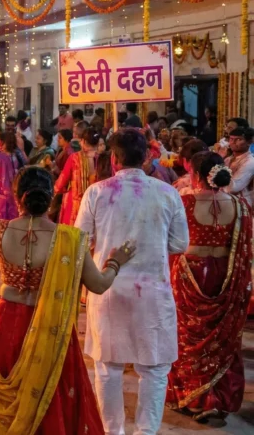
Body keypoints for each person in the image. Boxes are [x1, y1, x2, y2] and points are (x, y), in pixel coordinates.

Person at [0, 166, 133, 433]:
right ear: (51, 198)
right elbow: (99, 285)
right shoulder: (70, 239)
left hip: (7, 322)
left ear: (17, 198)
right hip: (50, 324)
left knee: (6, 381)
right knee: (50, 392)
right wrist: (115, 262)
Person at [74, 128, 189, 435]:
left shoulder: (97, 192)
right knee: (154, 370)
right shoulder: (168, 193)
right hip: (153, 292)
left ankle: (112, 432)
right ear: (148, 157)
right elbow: (180, 243)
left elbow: (79, 241)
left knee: (108, 369)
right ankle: (145, 432)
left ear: (114, 158)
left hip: (108, 288)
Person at [167, 152, 252, 421]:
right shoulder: (240, 207)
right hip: (225, 275)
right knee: (220, 336)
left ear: (195, 175)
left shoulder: (184, 203)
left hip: (190, 274)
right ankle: (216, 398)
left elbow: (171, 242)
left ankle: (194, 399)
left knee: (188, 336)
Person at [54, 127, 100, 225]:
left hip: (75, 203)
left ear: (83, 141)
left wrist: (57, 190)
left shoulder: (74, 158)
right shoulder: (102, 159)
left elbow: (61, 183)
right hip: (97, 204)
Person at [224, 126, 254, 205]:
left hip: (241, 204)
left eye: (238, 139)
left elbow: (232, 188)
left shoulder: (250, 162)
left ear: (249, 142)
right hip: (226, 200)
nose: (233, 142)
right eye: (231, 139)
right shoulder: (227, 159)